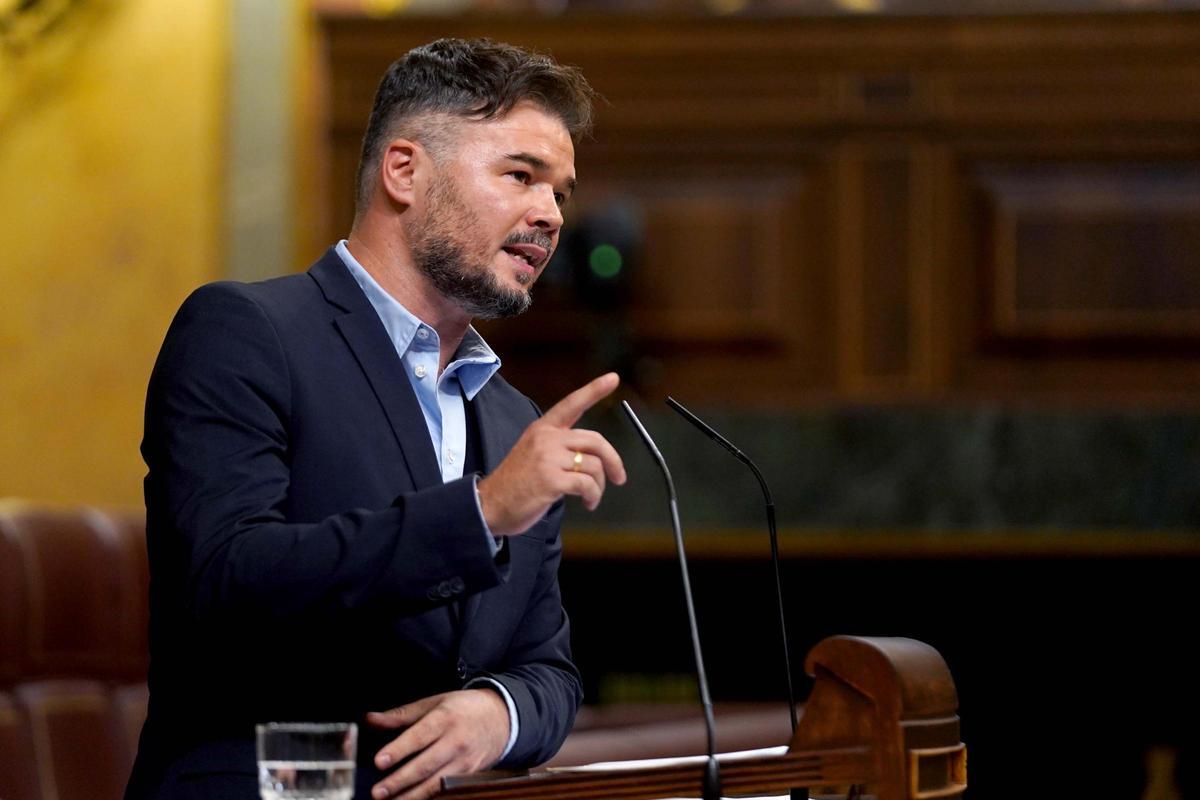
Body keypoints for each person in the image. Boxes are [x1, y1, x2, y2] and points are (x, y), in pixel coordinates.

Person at [125, 38, 625, 800]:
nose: (549, 215)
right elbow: (226, 580)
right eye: (521, 175)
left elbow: (547, 667)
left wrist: (500, 713)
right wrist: (483, 511)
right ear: (404, 172)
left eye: (560, 191)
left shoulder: (515, 416)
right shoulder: (248, 332)